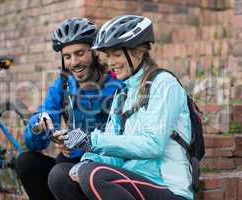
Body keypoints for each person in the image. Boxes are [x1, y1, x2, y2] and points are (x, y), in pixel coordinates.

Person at [48, 15, 193, 200]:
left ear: (138, 52)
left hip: (167, 187)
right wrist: (89, 158)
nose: (111, 62)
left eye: (116, 55)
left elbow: (153, 145)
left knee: (93, 175)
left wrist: (92, 141)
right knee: (60, 175)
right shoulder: (122, 94)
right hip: (131, 181)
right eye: (107, 56)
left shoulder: (164, 84)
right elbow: (114, 154)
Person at [15, 17, 123, 200]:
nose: (74, 62)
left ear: (95, 52)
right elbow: (38, 138)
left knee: (59, 173)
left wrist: (75, 140)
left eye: (80, 53)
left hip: (105, 163)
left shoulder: (117, 84)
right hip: (70, 159)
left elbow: (121, 138)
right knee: (27, 162)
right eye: (67, 57)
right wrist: (39, 126)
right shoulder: (64, 82)